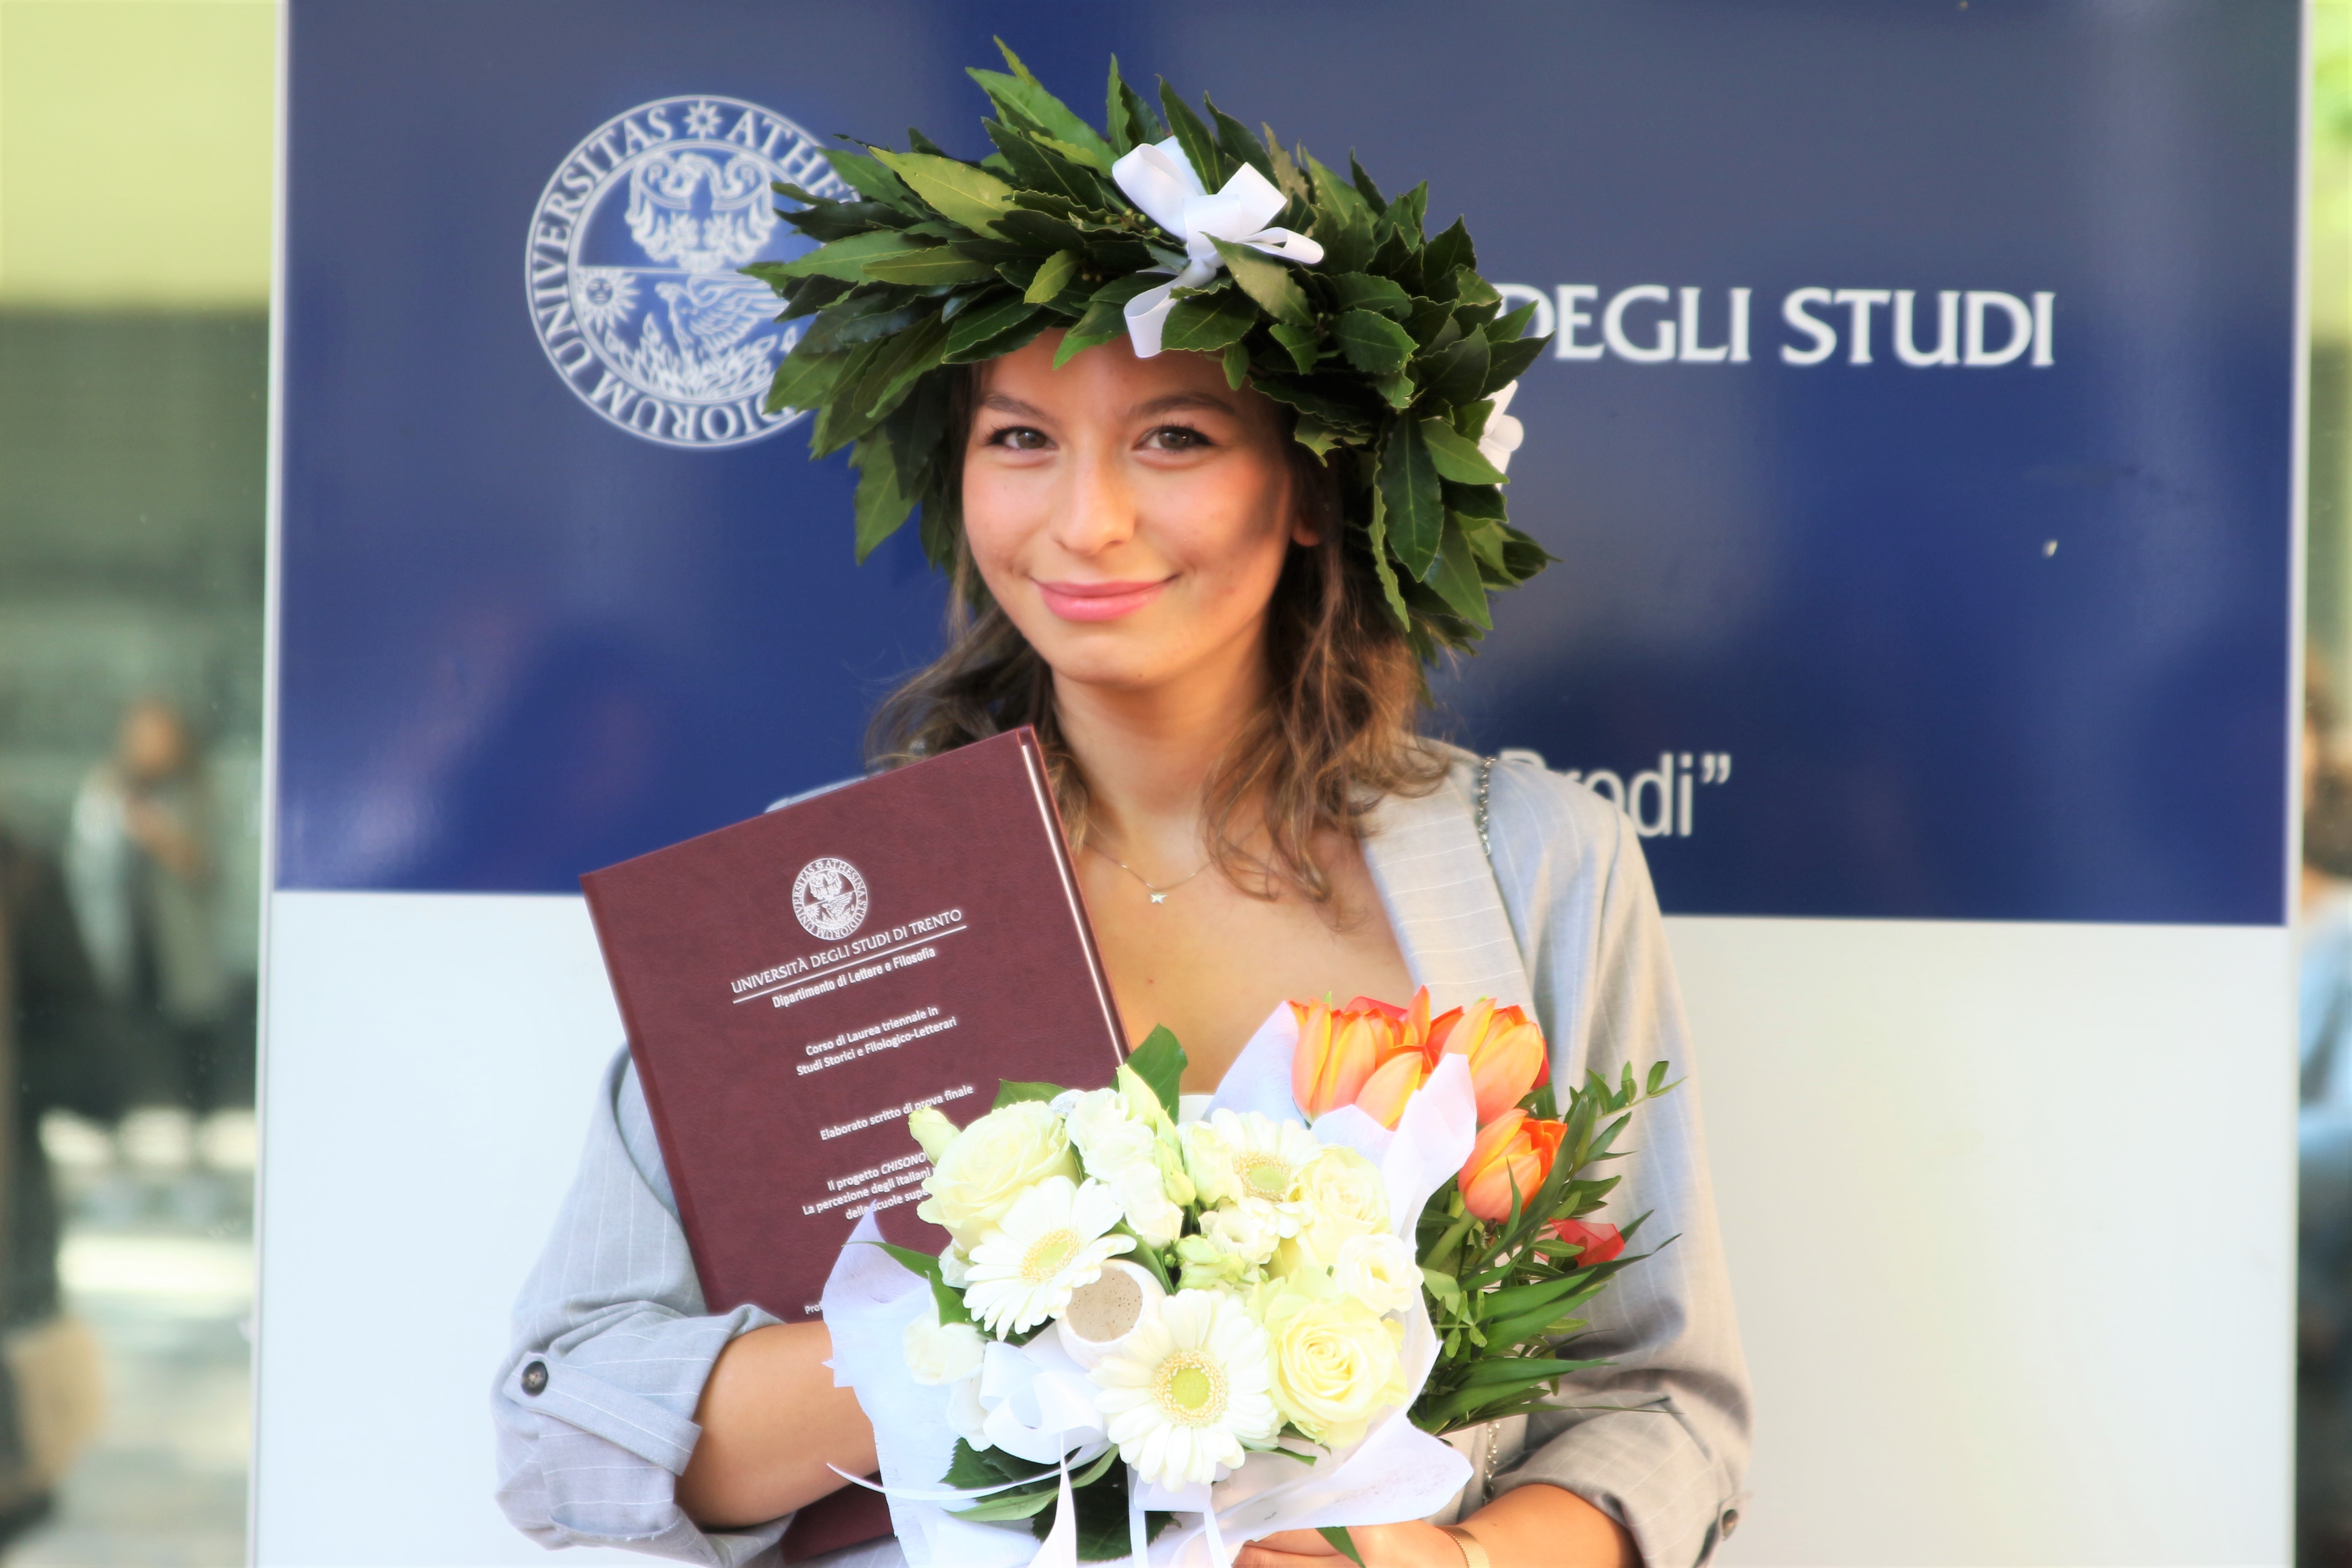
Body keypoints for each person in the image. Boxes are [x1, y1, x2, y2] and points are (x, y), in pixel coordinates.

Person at [496, 58, 1749, 1568]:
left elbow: (1655, 1403)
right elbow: (570, 1425)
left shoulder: (1536, 864)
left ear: (1314, 487)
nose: (1084, 521)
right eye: (1020, 438)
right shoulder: (822, 890)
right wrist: (1003, 1311)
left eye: (1173, 438)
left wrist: (1461, 1563)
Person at [64, 698, 238, 1111]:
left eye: (159, 737)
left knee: (189, 1052)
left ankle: (194, 1117)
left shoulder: (196, 794)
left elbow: (210, 868)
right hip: (120, 947)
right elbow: (82, 864)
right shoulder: (105, 789)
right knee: (123, 1049)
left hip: (180, 950)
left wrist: (157, 834)